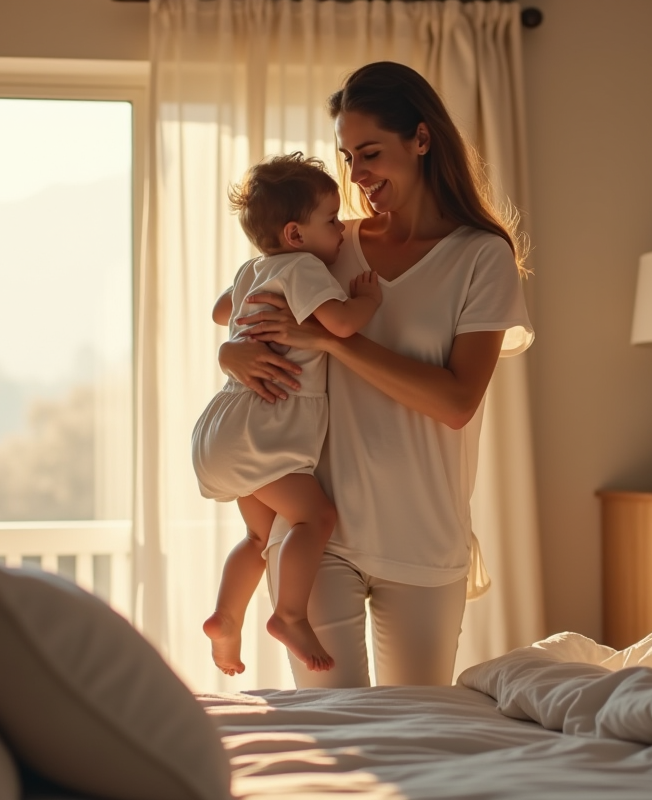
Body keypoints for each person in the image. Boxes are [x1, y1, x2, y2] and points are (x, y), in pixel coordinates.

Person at [217, 61, 534, 689]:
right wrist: (231, 357)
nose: (356, 174)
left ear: (421, 139)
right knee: (335, 730)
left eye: (369, 153)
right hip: (318, 533)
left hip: (424, 538)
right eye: (347, 157)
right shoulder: (328, 245)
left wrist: (331, 341)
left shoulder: (481, 256)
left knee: (414, 730)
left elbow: (456, 401)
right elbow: (245, 313)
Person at [194, 152, 382, 676]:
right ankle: (290, 614)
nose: (341, 229)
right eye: (331, 219)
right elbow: (339, 325)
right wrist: (367, 301)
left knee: (260, 539)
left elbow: (220, 312)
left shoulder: (253, 269)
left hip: (225, 428)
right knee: (314, 518)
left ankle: (226, 618)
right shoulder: (303, 268)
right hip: (265, 430)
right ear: (296, 234)